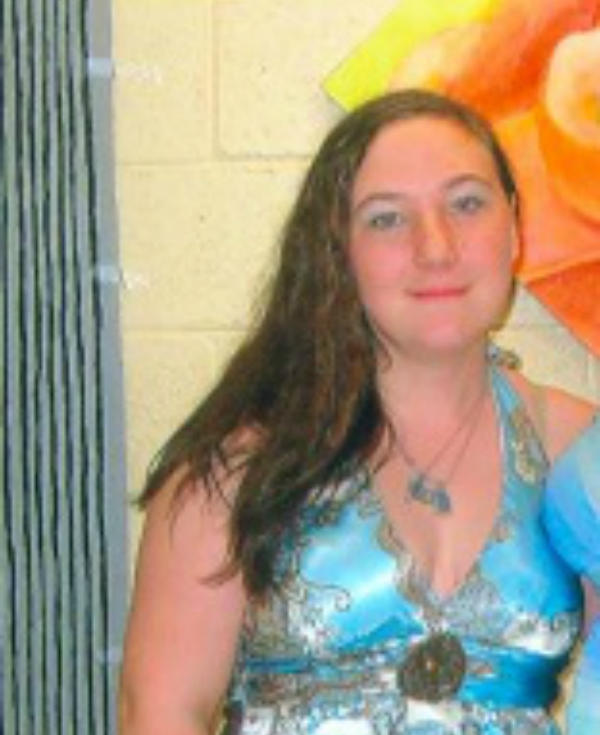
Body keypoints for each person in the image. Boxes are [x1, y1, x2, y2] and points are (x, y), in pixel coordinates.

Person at [118, 89, 600, 735]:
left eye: (466, 203)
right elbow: (160, 715)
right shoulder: (236, 471)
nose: (436, 246)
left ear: (513, 225)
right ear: (336, 248)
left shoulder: (577, 451)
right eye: (386, 218)